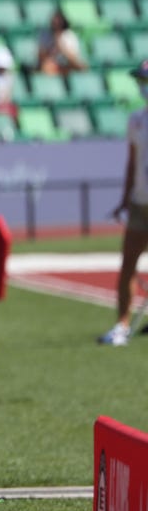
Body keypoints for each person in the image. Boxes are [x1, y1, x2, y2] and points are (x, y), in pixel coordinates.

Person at [98, 60, 148, 346]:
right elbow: (132, 164)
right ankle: (121, 325)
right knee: (128, 264)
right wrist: (124, 199)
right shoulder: (137, 121)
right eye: (141, 80)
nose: (143, 86)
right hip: (141, 203)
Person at [37, 8, 87, 77]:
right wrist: (52, 48)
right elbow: (40, 56)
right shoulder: (45, 35)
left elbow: (73, 58)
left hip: (66, 63)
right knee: (46, 66)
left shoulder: (69, 36)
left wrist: (61, 46)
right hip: (51, 63)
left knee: (81, 67)